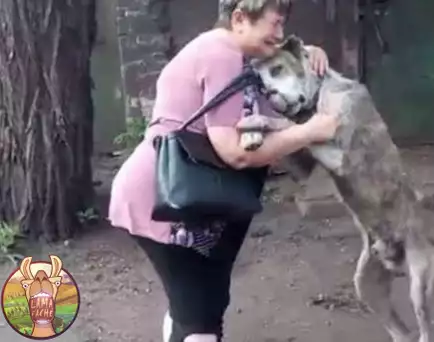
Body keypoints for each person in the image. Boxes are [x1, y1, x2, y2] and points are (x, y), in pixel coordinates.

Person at [107, 1, 340, 341]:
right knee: (199, 318)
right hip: (166, 203)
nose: (280, 34)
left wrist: (308, 53)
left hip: (186, 202)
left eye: (283, 25)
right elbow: (235, 153)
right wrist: (309, 132)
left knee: (199, 306)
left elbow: (274, 74)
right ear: (239, 19)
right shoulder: (221, 54)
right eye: (274, 24)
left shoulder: (239, 55)